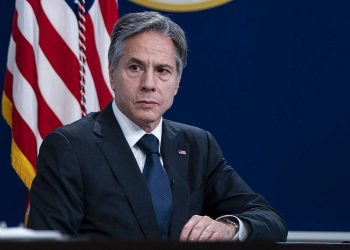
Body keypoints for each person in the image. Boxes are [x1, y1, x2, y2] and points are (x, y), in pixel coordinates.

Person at [27, 11, 287, 241]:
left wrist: (229, 227)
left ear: (177, 82)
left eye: (162, 70)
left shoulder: (197, 145)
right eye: (135, 67)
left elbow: (270, 220)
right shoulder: (69, 147)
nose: (149, 83)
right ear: (112, 73)